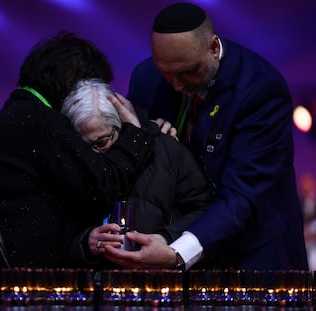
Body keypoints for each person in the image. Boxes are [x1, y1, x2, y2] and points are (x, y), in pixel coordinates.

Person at [103, 2, 308, 271]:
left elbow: (243, 196)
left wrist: (177, 253)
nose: (176, 84)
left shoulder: (260, 88)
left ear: (213, 47)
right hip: (168, 246)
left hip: (252, 256)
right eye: (166, 73)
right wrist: (142, 137)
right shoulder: (146, 78)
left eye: (189, 71)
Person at [0, 31, 156, 269]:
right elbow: (103, 184)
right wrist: (135, 132)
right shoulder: (41, 122)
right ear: (73, 84)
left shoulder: (15, 116)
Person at [60, 79, 214, 267]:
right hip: (91, 288)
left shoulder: (167, 150)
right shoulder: (66, 163)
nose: (95, 156)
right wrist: (86, 242)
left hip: (157, 282)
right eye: (84, 148)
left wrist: (166, 238)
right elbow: (52, 230)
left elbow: (205, 211)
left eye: (101, 143)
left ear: (121, 124)